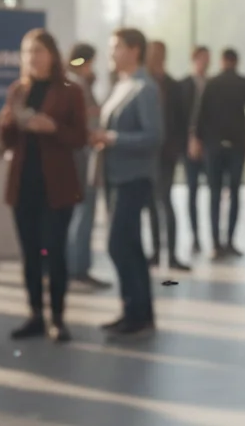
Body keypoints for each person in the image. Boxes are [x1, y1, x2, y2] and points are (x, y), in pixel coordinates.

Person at [0, 29, 89, 343]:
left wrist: (53, 128)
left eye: (38, 51)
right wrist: (8, 122)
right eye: (27, 52)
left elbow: (80, 137)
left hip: (57, 185)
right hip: (24, 183)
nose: (32, 58)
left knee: (54, 251)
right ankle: (35, 313)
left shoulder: (69, 91)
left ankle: (58, 318)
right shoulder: (18, 90)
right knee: (30, 253)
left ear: (52, 54)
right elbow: (7, 142)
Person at [90, 28, 163, 338]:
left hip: (134, 177)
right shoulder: (122, 85)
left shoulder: (144, 89)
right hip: (115, 175)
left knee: (118, 243)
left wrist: (113, 138)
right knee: (130, 245)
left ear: (135, 50)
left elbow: (154, 135)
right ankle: (137, 311)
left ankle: (136, 310)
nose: (111, 53)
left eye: (117, 47)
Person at [195, 47, 245, 257]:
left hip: (214, 145)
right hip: (237, 144)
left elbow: (200, 114)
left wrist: (199, 139)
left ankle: (215, 242)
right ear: (236, 61)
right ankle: (230, 240)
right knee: (235, 193)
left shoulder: (212, 83)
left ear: (222, 61)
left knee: (214, 193)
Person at [65, 42, 111, 290]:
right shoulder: (78, 84)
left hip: (77, 155)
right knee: (84, 212)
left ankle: (76, 266)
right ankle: (78, 268)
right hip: (84, 155)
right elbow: (90, 118)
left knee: (79, 213)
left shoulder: (72, 82)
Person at [145, 40, 190, 271]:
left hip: (167, 153)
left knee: (164, 199)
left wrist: (179, 148)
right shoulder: (142, 84)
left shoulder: (173, 85)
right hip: (146, 153)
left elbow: (183, 120)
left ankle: (171, 254)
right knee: (151, 203)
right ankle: (155, 252)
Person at [178, 46, 211, 254]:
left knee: (214, 191)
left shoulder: (213, 84)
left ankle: (214, 237)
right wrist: (190, 139)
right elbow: (181, 116)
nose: (206, 62)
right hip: (189, 145)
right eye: (203, 58)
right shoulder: (183, 85)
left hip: (209, 145)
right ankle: (195, 237)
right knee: (192, 191)